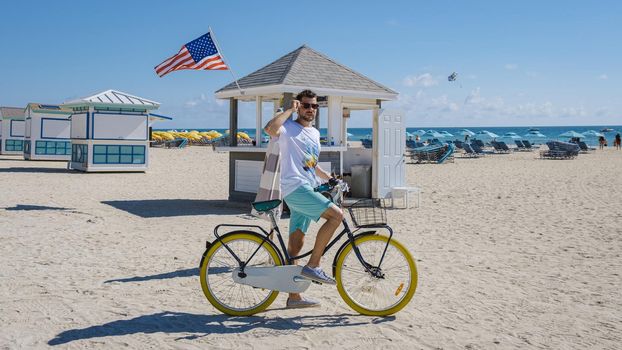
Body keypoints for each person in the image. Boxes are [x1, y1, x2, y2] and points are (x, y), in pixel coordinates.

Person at [264, 89, 344, 309]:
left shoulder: (315, 134)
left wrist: (329, 178)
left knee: (295, 246)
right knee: (336, 217)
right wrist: (290, 109)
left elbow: (311, 164)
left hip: (308, 186)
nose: (310, 110)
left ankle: (294, 297)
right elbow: (269, 128)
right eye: (306, 105)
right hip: (295, 188)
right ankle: (314, 265)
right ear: (300, 107)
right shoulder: (288, 128)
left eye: (314, 106)